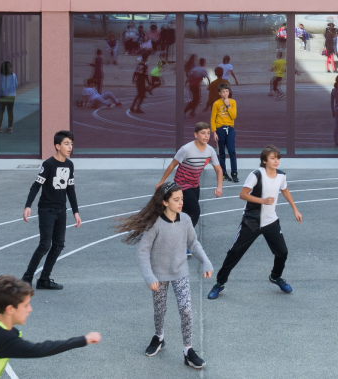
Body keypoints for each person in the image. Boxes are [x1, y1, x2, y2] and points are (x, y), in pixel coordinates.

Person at [112, 183, 214, 369]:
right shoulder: (155, 224)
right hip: (159, 275)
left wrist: (205, 261)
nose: (181, 202)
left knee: (186, 310)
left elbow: (193, 243)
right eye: (176, 200)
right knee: (160, 310)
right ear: (165, 202)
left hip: (180, 272)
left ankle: (188, 351)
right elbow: (143, 252)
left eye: (182, 199)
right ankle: (159, 337)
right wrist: (149, 277)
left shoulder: (185, 220)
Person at [0, 275, 100, 379]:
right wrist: (83, 339)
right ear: (10, 309)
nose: (30, 309)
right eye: (26, 305)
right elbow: (41, 349)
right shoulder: (3, 338)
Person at [209, 146, 302, 299]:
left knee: (282, 252)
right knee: (234, 253)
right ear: (264, 161)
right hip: (251, 221)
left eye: (277, 158)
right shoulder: (256, 175)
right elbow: (243, 194)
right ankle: (220, 283)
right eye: (272, 158)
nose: (276, 161)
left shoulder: (281, 176)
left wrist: (295, 209)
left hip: (271, 221)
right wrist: (262, 201)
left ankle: (275, 277)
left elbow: (284, 190)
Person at [22, 130, 82, 290]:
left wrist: (76, 211)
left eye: (71, 144)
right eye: (66, 144)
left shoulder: (70, 165)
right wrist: (28, 205)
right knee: (44, 245)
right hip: (47, 210)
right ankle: (26, 279)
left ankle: (44, 279)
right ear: (57, 146)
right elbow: (36, 185)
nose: (70, 147)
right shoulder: (48, 164)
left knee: (58, 245)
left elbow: (70, 189)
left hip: (61, 210)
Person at [157, 123, 223, 227]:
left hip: (195, 185)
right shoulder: (186, 149)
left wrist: (219, 187)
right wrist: (161, 182)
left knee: (184, 213)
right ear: (196, 135)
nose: (206, 136)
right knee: (195, 212)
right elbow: (172, 165)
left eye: (208, 133)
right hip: (182, 185)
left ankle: (172, 230)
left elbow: (218, 170)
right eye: (203, 133)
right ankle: (186, 235)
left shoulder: (210, 151)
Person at [210, 83, 240, 183]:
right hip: (220, 129)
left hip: (230, 128)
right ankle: (223, 173)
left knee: (232, 151)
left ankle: (234, 173)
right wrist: (214, 132)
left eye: (227, 91)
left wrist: (228, 105)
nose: (225, 93)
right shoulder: (216, 103)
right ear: (219, 93)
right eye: (223, 92)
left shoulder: (233, 102)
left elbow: (234, 116)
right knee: (221, 152)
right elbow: (213, 118)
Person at [0, 61, 19, 134]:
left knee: (1, 111)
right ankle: (10, 127)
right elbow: (16, 85)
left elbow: (1, 87)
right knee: (10, 111)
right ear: (10, 67)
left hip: (3, 95)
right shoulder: (14, 75)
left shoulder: (1, 75)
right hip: (12, 96)